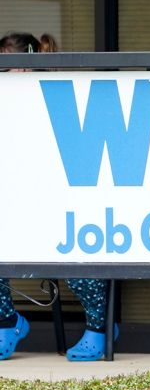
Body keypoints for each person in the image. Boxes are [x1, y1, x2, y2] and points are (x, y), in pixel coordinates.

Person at [0, 31, 116, 361]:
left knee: (76, 255)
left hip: (68, 208)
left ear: (22, 69)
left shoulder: (59, 100)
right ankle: (7, 321)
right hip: (19, 208)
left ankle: (100, 327)